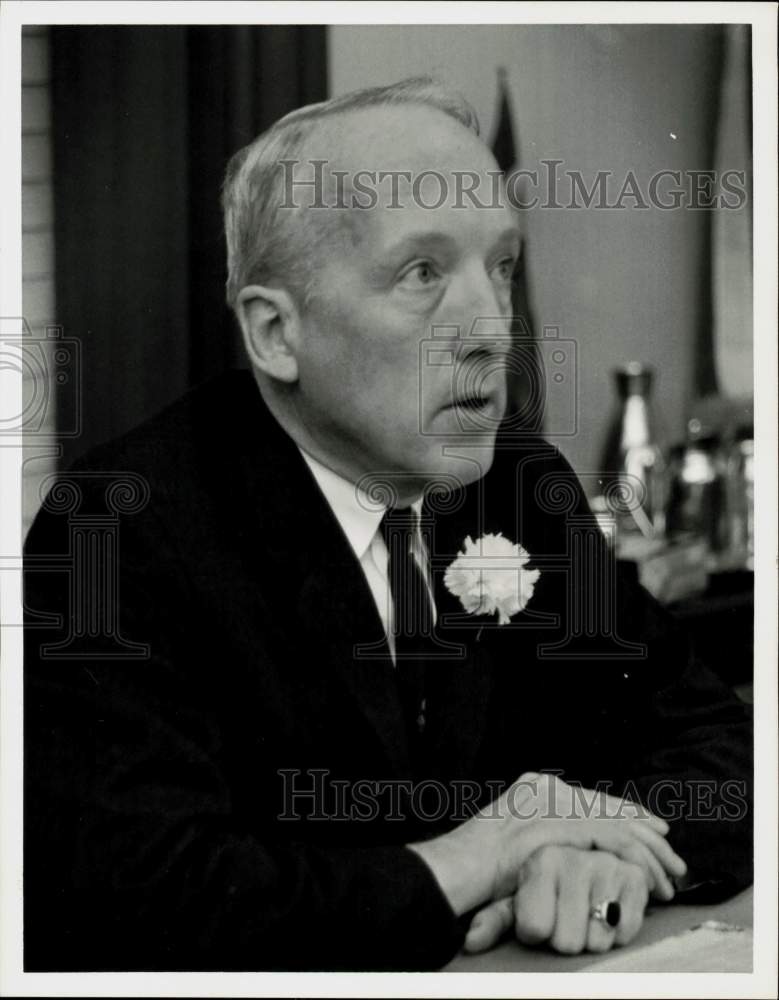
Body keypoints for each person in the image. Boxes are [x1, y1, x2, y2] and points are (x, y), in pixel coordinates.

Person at [23, 78, 752, 972]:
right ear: (274, 333)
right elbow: (138, 898)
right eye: (422, 273)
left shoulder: (519, 487)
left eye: (502, 267)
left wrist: (590, 854)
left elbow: (726, 751)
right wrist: (479, 856)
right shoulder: (114, 529)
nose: (493, 329)